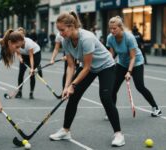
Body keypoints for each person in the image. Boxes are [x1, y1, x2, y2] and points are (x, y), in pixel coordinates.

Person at [49, 12, 125, 147]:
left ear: (71, 26)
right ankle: (65, 131)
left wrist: (73, 84)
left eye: (62, 30)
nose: (60, 33)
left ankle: (119, 134)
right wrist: (67, 87)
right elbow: (71, 67)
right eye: (58, 30)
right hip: (88, 67)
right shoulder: (65, 41)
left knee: (106, 97)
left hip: (106, 66)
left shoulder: (86, 38)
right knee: (73, 96)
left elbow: (87, 67)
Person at [107, 16, 162, 117]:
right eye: (110, 28)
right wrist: (108, 67)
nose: (112, 31)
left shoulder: (129, 38)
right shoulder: (110, 38)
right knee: (113, 88)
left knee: (140, 86)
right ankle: (111, 112)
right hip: (122, 63)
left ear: (120, 27)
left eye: (114, 28)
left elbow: (133, 57)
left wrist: (129, 72)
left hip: (136, 62)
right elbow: (112, 55)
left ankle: (156, 108)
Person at [15, 27, 43, 99]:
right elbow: (18, 53)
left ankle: (31, 92)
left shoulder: (29, 43)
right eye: (18, 34)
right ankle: (19, 92)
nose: (20, 36)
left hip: (35, 54)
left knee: (32, 74)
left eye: (21, 34)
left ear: (24, 35)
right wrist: (20, 58)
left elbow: (31, 57)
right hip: (24, 55)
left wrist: (32, 68)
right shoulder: (15, 42)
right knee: (21, 73)